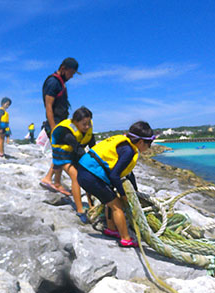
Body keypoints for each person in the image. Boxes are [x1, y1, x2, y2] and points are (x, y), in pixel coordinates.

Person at [77, 121, 155, 247]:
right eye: (148, 144)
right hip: (91, 175)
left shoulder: (124, 144)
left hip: (84, 171)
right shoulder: (128, 151)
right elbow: (114, 175)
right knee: (117, 204)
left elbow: (129, 173)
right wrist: (124, 195)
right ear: (140, 142)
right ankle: (126, 238)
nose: (149, 148)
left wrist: (135, 191)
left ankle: (111, 229)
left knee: (110, 200)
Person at [39, 57, 81, 195]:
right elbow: (49, 107)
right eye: (71, 73)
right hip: (55, 124)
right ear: (63, 68)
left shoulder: (60, 82)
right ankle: (50, 180)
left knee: (61, 152)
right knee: (63, 152)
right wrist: (54, 128)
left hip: (60, 123)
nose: (72, 76)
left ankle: (54, 181)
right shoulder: (53, 82)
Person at [51, 106, 95, 224]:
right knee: (76, 176)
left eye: (88, 123)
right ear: (75, 122)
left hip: (74, 154)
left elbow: (93, 147)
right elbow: (78, 150)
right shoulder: (68, 132)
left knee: (89, 174)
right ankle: (80, 210)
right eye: (84, 124)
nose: (87, 127)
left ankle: (91, 206)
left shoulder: (88, 129)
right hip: (63, 156)